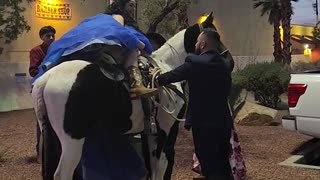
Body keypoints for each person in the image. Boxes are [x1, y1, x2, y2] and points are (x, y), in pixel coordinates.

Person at [152, 28, 234, 180]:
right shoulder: (225, 64)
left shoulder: (195, 62)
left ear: (202, 44)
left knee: (209, 165)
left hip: (203, 123)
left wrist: (156, 77)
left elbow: (173, 75)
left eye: (197, 41)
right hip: (223, 121)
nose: (195, 44)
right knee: (223, 162)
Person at [106, 0, 158, 99]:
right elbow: (120, 32)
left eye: (134, 7)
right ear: (122, 6)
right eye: (130, 6)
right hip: (116, 50)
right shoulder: (118, 16)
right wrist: (140, 44)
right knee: (134, 50)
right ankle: (136, 83)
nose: (133, 10)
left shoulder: (125, 20)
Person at [28, 26, 56, 162]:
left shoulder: (57, 49)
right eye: (48, 35)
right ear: (42, 37)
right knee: (42, 120)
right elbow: (32, 70)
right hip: (40, 88)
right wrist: (46, 69)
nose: (51, 38)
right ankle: (41, 153)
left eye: (53, 35)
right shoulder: (36, 51)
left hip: (55, 87)